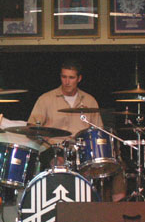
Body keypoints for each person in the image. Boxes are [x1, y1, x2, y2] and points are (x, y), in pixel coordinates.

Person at [27, 59, 126, 202]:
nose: (67, 82)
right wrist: (43, 139)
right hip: (55, 148)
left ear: (79, 79)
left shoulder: (90, 101)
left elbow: (98, 130)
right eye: (64, 77)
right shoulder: (46, 99)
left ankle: (118, 209)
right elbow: (32, 127)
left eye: (71, 78)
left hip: (83, 150)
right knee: (58, 162)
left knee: (117, 165)